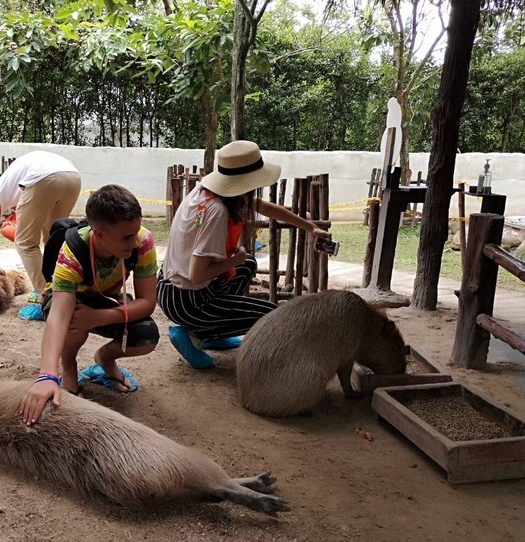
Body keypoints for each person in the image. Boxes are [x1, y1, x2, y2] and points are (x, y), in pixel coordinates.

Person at [157, 140, 330, 370]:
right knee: (270, 314)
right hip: (187, 301)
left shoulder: (206, 192)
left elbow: (262, 206)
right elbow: (197, 274)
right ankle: (195, 334)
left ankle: (212, 334)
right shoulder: (217, 211)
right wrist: (234, 260)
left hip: (172, 287)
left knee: (247, 264)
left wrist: (309, 227)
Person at [18, 185, 159, 426]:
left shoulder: (143, 241)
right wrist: (46, 375)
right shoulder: (72, 252)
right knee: (72, 320)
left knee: (146, 337)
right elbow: (59, 316)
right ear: (99, 234)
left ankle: (104, 358)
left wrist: (98, 317)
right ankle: (69, 368)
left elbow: (147, 302)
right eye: (127, 237)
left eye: (136, 232)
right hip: (69, 300)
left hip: (103, 302)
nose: (135, 241)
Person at [0, 150, 81, 320]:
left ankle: (47, 299)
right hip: (72, 177)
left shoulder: (2, 190)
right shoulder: (17, 179)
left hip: (42, 178)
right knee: (55, 238)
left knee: (25, 243)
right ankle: (65, 291)